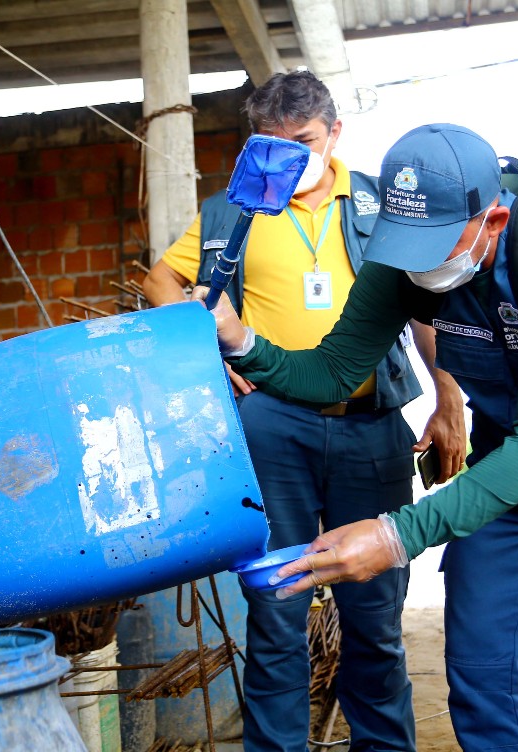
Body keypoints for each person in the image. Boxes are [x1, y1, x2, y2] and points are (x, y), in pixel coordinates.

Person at [198, 123, 518, 751]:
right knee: (480, 673)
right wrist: (243, 343)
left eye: (434, 241)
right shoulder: (398, 262)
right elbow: (335, 371)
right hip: (511, 475)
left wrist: (395, 535)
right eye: (403, 239)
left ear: (493, 221)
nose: (416, 259)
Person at [143, 74, 465, 752]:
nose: (291, 157)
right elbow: (161, 279)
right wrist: (210, 352)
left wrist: (447, 395)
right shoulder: (235, 210)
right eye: (274, 145)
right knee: (277, 607)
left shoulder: (384, 203)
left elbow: (425, 305)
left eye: (305, 142)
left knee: (374, 615)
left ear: (335, 134)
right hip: (270, 424)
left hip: (370, 422)